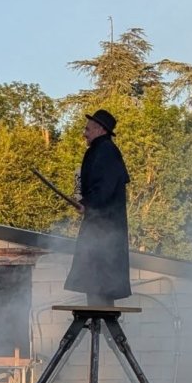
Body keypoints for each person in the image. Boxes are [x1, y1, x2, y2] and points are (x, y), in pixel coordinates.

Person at [64, 108, 131, 306]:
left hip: (105, 226)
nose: (84, 133)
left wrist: (89, 204)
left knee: (100, 282)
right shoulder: (100, 150)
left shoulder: (106, 151)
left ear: (100, 129)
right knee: (96, 285)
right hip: (99, 224)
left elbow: (105, 185)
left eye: (88, 129)